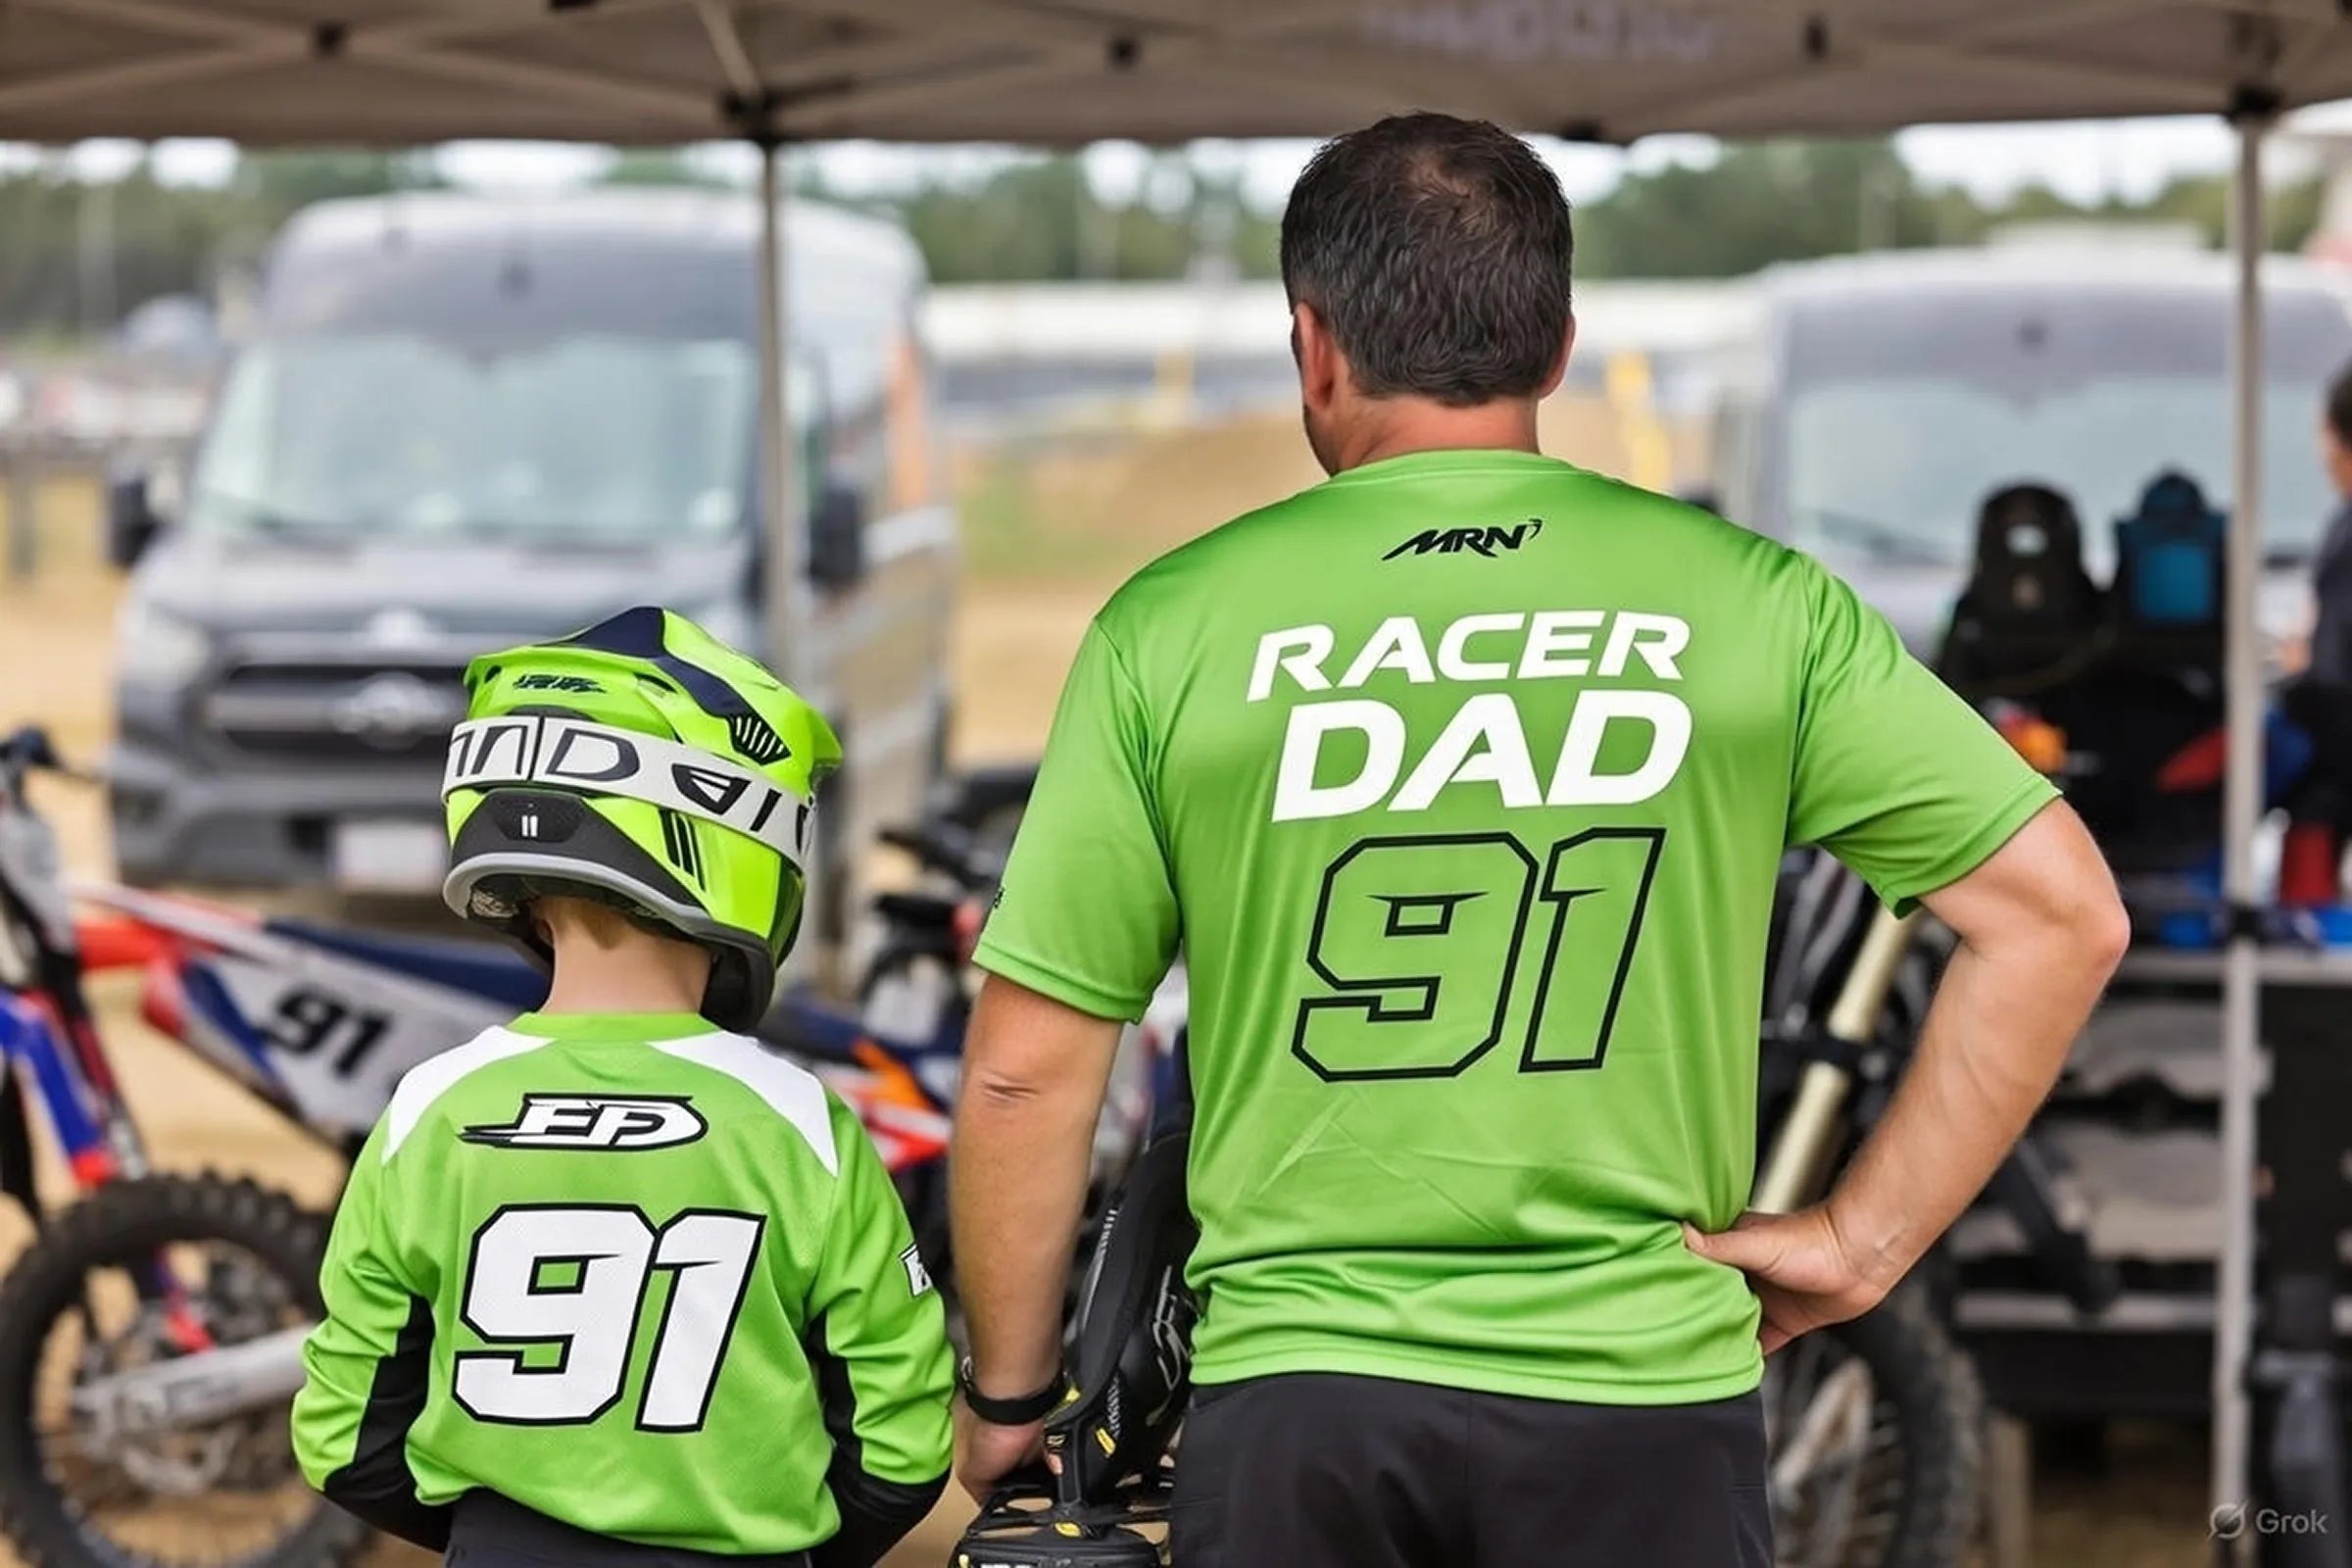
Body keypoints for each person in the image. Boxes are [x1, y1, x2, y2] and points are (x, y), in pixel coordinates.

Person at [949, 114, 2128, 1567]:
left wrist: (1012, 1393)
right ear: (1559, 346)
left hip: (1301, 1395)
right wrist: (1860, 1241)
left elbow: (1023, 1068)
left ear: (1313, 344)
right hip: (1640, 1396)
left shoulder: (1171, 625)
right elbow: (2062, 916)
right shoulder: (1754, 603)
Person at [293, 607, 953, 1568]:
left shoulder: (431, 1111)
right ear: (741, 834)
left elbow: (345, 1433)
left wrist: (496, 1535)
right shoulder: (797, 1124)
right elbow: (903, 1437)